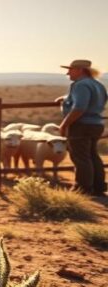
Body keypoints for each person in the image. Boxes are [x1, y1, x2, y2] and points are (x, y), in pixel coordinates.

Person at [56, 59, 106, 196]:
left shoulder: (80, 85)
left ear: (80, 70)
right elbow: (89, 100)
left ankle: (83, 188)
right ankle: (98, 186)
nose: (68, 73)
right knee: (92, 155)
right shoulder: (97, 84)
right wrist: (66, 98)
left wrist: (65, 124)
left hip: (81, 125)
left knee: (80, 157)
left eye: (70, 69)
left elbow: (79, 107)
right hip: (96, 124)